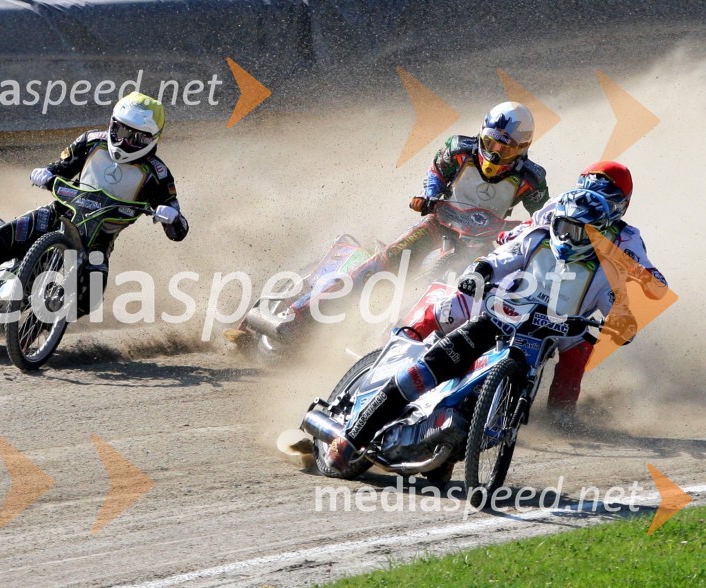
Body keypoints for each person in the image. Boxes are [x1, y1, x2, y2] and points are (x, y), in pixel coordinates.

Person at [324, 188, 661, 471]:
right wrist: (479, 273)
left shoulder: (605, 271)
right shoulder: (536, 239)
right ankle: (352, 436)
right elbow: (498, 260)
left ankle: (446, 454)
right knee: (425, 370)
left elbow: (618, 306)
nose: (565, 236)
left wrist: (623, 325)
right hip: (494, 323)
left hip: (536, 346)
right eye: (562, 225)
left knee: (492, 410)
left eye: (578, 231)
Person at [232, 102, 549, 342]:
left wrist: (531, 229)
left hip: (482, 242)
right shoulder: (458, 150)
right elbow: (436, 174)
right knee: (387, 261)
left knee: (482, 293)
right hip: (438, 224)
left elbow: (542, 215)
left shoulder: (532, 179)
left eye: (505, 148)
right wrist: (428, 197)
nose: (495, 154)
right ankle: (298, 316)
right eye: (491, 143)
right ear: (482, 134)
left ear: (521, 149)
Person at [408, 161, 667, 424]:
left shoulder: (627, 237)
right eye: (586, 190)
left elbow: (653, 284)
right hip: (529, 283)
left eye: (603, 198)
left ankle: (561, 413)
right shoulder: (558, 206)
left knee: (580, 348)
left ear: (620, 205)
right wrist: (510, 237)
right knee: (463, 301)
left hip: (572, 305)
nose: (587, 205)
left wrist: (641, 276)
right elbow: (523, 232)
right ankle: (408, 340)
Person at [0, 91, 188, 324]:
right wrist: (46, 173)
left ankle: (29, 331)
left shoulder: (158, 174)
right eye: (121, 130)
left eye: (136, 137)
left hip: (98, 242)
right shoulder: (91, 141)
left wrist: (172, 218)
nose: (125, 141)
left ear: (153, 138)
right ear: (112, 124)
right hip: (56, 216)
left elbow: (179, 230)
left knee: (89, 300)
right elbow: (61, 167)